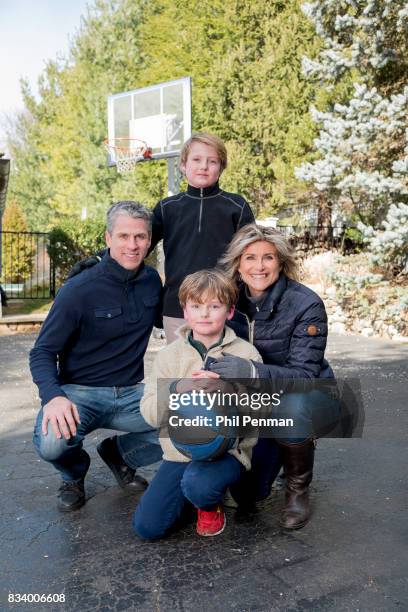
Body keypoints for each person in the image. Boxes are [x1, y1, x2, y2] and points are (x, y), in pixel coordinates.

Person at [30, 201, 163, 512]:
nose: (133, 245)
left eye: (141, 237)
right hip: (80, 393)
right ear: (108, 238)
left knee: (190, 422)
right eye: (124, 236)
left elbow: (167, 320)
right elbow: (42, 352)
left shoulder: (151, 280)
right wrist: (54, 397)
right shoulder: (78, 289)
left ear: (149, 240)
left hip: (132, 393)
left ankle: (119, 455)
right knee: (52, 442)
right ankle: (73, 474)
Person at [210, 223, 340, 529]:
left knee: (293, 409)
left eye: (268, 257)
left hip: (306, 394)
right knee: (248, 495)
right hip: (256, 400)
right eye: (250, 257)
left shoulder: (305, 303)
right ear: (237, 263)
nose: (259, 266)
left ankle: (297, 489)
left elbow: (306, 376)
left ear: (280, 262)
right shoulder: (227, 298)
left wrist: (252, 372)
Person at [133, 269, 262, 540]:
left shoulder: (246, 353)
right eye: (196, 306)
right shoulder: (169, 356)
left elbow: (261, 411)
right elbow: (149, 414)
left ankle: (209, 502)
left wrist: (228, 391)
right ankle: (192, 495)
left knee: (199, 485)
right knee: (148, 527)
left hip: (228, 453)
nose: (204, 314)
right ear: (185, 312)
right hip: (180, 454)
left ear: (229, 312)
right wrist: (177, 388)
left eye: (214, 306)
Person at [150, 132, 255, 343]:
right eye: (196, 160)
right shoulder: (166, 208)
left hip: (224, 307)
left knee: (224, 372)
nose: (204, 166)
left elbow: (252, 255)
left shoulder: (236, 206)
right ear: (183, 165)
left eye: (212, 161)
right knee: (183, 372)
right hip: (178, 308)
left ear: (221, 167)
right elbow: (138, 247)